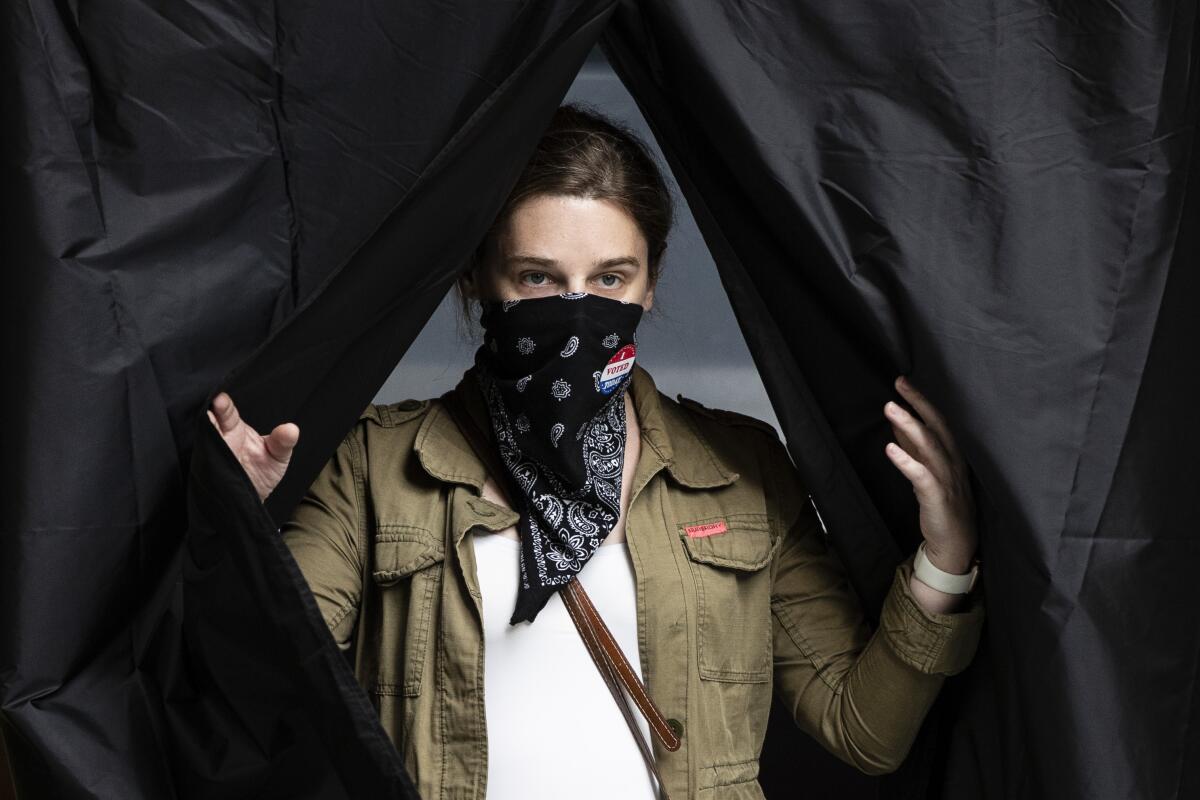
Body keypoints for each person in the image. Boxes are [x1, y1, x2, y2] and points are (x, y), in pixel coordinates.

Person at [208, 102, 985, 800]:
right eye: (539, 278)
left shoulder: (741, 471)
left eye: (610, 277)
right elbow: (263, 693)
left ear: (649, 285)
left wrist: (946, 555)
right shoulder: (372, 467)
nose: (576, 312)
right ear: (479, 280)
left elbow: (865, 731)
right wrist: (239, 527)